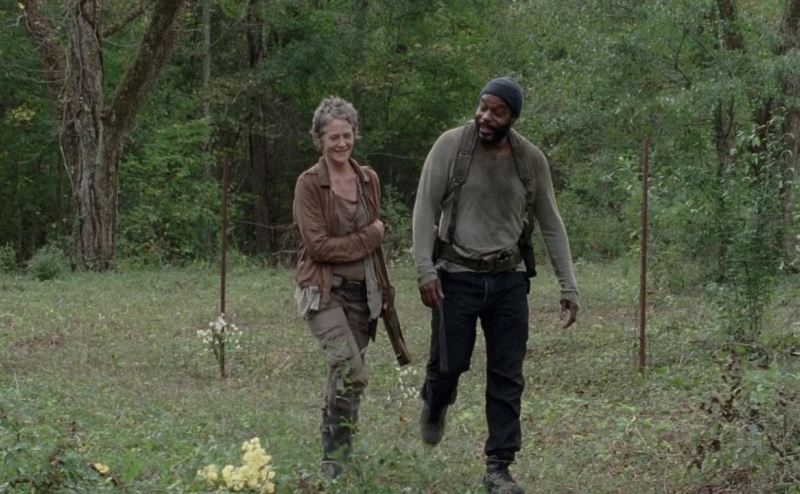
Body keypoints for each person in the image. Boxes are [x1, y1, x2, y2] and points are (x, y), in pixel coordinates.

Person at [411, 77, 579, 494]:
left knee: (507, 376)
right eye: (483, 107)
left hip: (509, 281)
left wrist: (569, 287)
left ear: (512, 117)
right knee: (448, 366)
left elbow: (551, 223)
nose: (485, 117)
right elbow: (424, 206)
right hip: (455, 277)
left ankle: (498, 467)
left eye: (497, 111)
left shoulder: (530, 160)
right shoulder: (451, 146)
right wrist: (425, 271)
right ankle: (436, 401)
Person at [293, 96, 395, 480]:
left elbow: (372, 241)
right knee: (351, 370)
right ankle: (333, 462)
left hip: (362, 294)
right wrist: (371, 237)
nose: (341, 143)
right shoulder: (309, 184)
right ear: (319, 140)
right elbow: (319, 247)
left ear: (355, 135)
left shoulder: (368, 179)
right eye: (333, 137)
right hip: (323, 293)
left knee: (346, 378)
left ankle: (339, 458)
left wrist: (384, 289)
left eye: (347, 135)